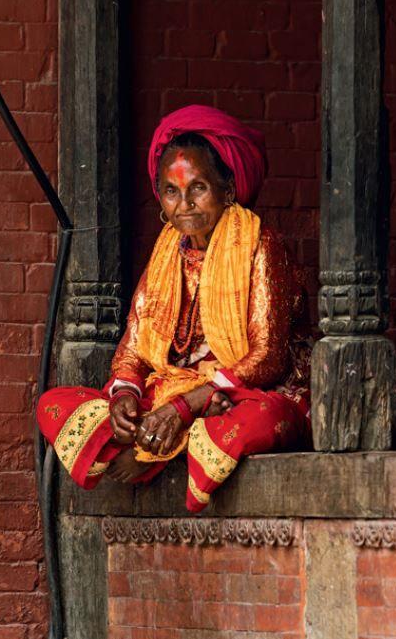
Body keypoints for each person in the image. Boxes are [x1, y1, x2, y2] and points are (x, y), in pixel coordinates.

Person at [36, 105, 310, 513]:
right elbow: (133, 350)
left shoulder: (259, 245)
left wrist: (187, 406)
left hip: (242, 394)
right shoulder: (166, 254)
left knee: (262, 419)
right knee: (52, 404)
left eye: (198, 188)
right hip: (173, 394)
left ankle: (168, 445)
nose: (185, 204)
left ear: (228, 190)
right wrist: (124, 398)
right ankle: (176, 439)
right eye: (171, 191)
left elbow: (268, 358)